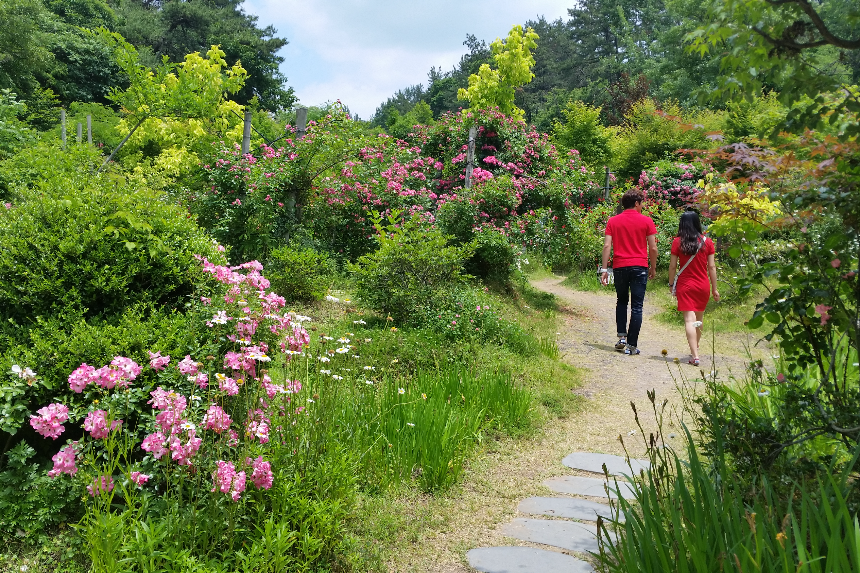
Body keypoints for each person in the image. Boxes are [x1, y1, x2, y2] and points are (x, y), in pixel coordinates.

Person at [600, 189, 658, 355]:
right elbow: (653, 247)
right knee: (637, 307)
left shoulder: (613, 221)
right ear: (636, 203)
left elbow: (606, 246)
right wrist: (653, 267)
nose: (642, 206)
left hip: (619, 267)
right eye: (641, 204)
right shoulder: (647, 221)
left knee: (622, 301)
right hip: (639, 267)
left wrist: (604, 269)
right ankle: (632, 346)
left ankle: (622, 338)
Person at [667, 211, 720, 366]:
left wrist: (671, 284)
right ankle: (695, 349)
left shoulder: (678, 242)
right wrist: (715, 289)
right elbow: (711, 267)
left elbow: (672, 266)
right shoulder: (707, 242)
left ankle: (695, 355)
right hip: (703, 285)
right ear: (697, 223)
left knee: (689, 320)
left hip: (685, 285)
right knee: (699, 319)